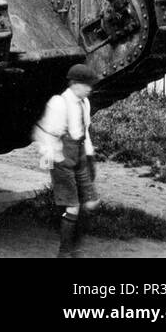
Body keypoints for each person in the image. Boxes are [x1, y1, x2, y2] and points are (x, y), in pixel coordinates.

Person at [34, 63, 101, 258]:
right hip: (62, 158)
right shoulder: (59, 103)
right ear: (74, 84)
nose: (90, 88)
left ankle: (75, 246)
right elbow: (45, 134)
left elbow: (84, 132)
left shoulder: (84, 103)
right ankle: (65, 253)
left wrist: (90, 157)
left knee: (90, 202)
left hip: (79, 156)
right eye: (85, 84)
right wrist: (51, 161)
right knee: (73, 206)